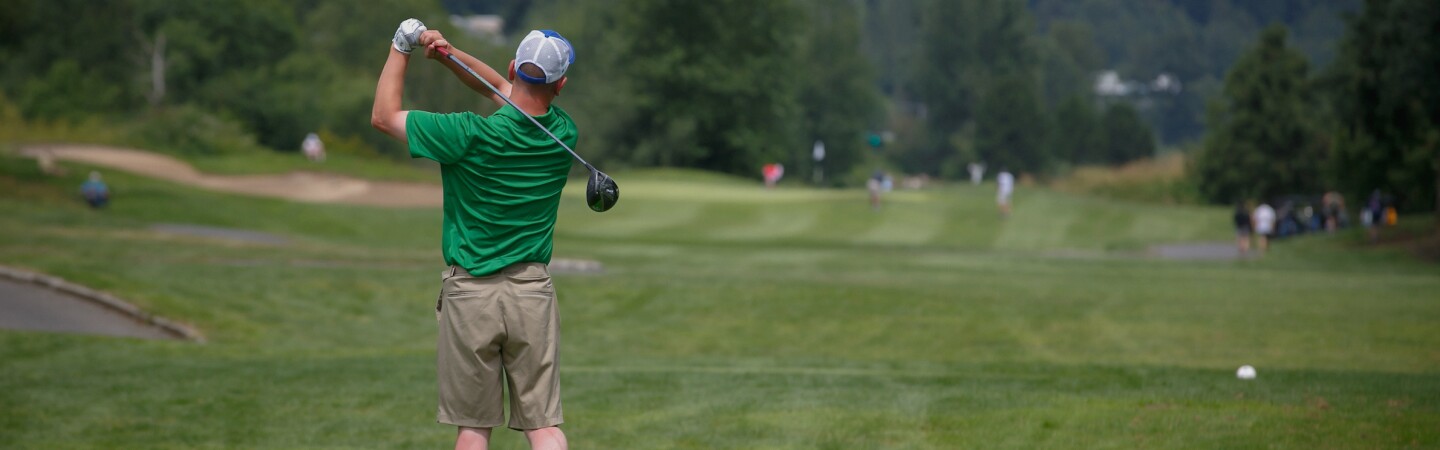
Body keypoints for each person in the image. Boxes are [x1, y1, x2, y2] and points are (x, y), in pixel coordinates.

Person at [371, 20, 574, 450]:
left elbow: (384, 117)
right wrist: (448, 54)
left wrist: (401, 47)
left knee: (473, 428)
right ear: (561, 86)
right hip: (532, 293)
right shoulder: (562, 135)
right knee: (544, 428)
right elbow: (501, 88)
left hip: (471, 294)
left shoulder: (468, 134)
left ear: (514, 64)